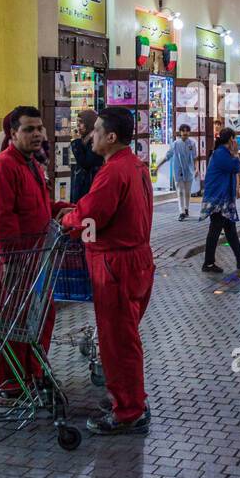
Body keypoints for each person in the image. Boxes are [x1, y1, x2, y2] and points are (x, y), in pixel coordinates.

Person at [60, 108, 155, 436]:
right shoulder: (135, 166)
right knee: (125, 339)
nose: (91, 136)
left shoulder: (113, 172)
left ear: (111, 137)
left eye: (96, 131)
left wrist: (67, 219)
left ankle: (128, 412)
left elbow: (92, 216)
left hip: (115, 265)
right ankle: (130, 400)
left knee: (117, 343)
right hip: (137, 261)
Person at [0, 106, 71, 397]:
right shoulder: (4, 166)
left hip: (37, 257)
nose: (37, 134)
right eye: (29, 129)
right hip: (14, 261)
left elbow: (40, 209)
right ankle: (12, 383)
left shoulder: (32, 164)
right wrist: (11, 261)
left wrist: (66, 209)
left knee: (40, 316)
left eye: (39, 128)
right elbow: (1, 218)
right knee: (12, 321)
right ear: (13, 134)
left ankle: (33, 371)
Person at [200, 128, 240, 273]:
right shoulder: (221, 153)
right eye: (234, 138)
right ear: (230, 139)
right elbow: (236, 166)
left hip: (223, 197)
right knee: (215, 229)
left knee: (230, 229)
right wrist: (236, 153)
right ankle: (208, 263)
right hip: (218, 199)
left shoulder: (222, 153)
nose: (235, 141)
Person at [69, 109, 104, 204]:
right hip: (83, 186)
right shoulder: (85, 139)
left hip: (89, 187)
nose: (78, 126)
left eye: (81, 122)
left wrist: (76, 142)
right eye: (77, 122)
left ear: (89, 123)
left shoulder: (94, 140)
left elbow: (85, 163)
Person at [166, 124, 198, 221]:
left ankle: (186, 208)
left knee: (187, 192)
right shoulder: (175, 144)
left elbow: (195, 158)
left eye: (187, 131)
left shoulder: (192, 144)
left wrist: (196, 169)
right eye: (183, 131)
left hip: (189, 171)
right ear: (180, 132)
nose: (185, 132)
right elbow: (168, 155)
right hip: (178, 170)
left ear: (189, 132)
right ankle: (182, 212)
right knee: (180, 191)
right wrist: (158, 164)